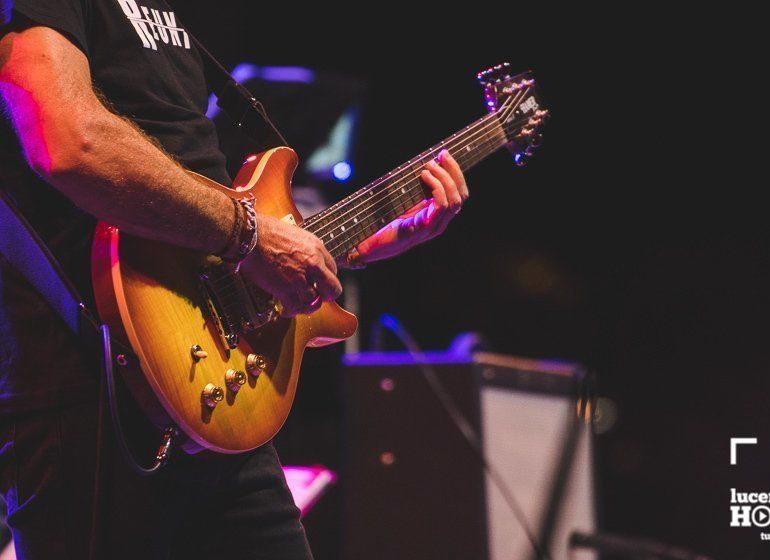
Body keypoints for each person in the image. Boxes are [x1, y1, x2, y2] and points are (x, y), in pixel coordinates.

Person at [0, 1, 469, 558]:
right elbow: (67, 142)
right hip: (91, 384)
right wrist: (251, 238)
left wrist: (353, 246)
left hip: (216, 396)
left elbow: (198, 203)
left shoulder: (168, 16)